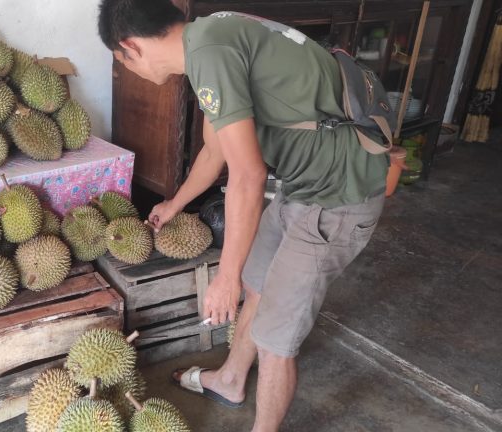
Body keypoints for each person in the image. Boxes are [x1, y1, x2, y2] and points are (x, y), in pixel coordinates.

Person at [98, 1, 389, 430]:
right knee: (257, 284)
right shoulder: (209, 40)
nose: (126, 70)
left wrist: (225, 274)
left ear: (130, 47)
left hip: (339, 196)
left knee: (276, 338)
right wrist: (174, 204)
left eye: (119, 61)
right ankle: (231, 380)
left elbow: (249, 175)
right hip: (305, 186)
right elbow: (216, 151)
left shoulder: (211, 54)